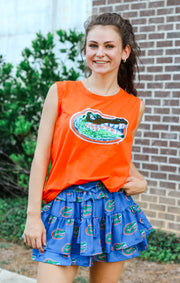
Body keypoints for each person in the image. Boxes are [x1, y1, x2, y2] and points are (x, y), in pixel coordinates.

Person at [23, 12, 153, 283]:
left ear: (124, 52)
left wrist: (140, 181)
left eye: (109, 46)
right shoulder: (61, 92)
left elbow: (113, 153)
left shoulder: (134, 107)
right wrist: (33, 216)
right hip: (64, 207)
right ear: (85, 50)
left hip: (112, 210)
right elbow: (40, 158)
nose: (100, 53)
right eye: (93, 45)